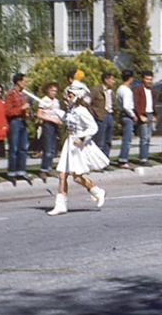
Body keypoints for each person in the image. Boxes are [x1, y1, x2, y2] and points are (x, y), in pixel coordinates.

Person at [46, 81, 109, 216]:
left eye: (70, 96)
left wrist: (81, 138)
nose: (67, 98)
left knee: (77, 177)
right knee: (62, 174)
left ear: (77, 96)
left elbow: (93, 127)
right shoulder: (72, 110)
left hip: (77, 145)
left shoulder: (82, 111)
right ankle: (61, 205)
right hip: (69, 143)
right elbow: (67, 118)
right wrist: (54, 109)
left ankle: (97, 191)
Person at [4, 73, 32, 183]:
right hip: (14, 122)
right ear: (18, 82)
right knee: (14, 148)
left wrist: (27, 113)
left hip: (22, 121)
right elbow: (8, 111)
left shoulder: (23, 95)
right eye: (24, 81)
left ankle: (21, 170)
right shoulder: (11, 94)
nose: (25, 83)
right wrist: (21, 108)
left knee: (23, 148)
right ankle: (12, 172)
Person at [36, 81, 63, 182]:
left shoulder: (56, 101)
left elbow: (58, 113)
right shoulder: (44, 100)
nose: (53, 93)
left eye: (55, 91)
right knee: (47, 149)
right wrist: (51, 119)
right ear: (47, 90)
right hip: (48, 125)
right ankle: (43, 169)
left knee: (52, 149)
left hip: (55, 125)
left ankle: (49, 168)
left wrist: (59, 120)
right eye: (51, 90)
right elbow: (39, 114)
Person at [89, 71, 116, 158]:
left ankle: (105, 159)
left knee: (108, 140)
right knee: (100, 140)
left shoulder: (111, 91)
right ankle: (97, 160)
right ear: (106, 80)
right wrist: (94, 114)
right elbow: (86, 102)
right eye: (112, 79)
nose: (113, 82)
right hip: (101, 116)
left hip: (110, 115)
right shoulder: (96, 90)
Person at [133, 71, 157, 165]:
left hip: (150, 114)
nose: (149, 81)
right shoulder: (138, 90)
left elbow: (153, 103)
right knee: (144, 138)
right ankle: (143, 158)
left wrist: (155, 115)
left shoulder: (152, 91)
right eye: (147, 79)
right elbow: (136, 104)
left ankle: (145, 157)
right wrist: (140, 115)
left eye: (150, 79)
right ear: (143, 79)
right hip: (143, 114)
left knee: (148, 138)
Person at [115, 69, 137, 169]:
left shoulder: (119, 89)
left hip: (122, 114)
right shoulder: (127, 91)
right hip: (127, 115)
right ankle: (123, 160)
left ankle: (123, 159)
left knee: (126, 138)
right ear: (130, 78)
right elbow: (126, 106)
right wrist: (133, 115)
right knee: (127, 139)